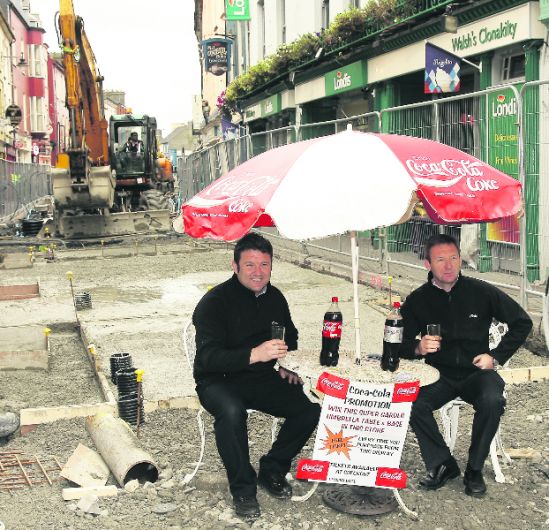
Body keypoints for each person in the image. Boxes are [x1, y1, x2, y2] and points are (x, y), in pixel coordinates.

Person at [192, 233, 320, 519]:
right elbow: (207, 358)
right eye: (250, 265)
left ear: (272, 266)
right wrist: (254, 354)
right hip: (217, 380)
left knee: (309, 410)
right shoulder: (214, 302)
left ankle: (273, 468)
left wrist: (287, 364)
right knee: (232, 412)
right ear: (235, 266)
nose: (258, 272)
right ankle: (243, 489)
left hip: (260, 378)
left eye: (264, 264)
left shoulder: (275, 296)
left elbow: (291, 335)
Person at [399, 233, 532, 498]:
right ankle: (442, 464)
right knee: (410, 400)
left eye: (453, 258)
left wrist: (495, 357)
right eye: (440, 260)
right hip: (438, 374)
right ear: (428, 265)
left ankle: (474, 470)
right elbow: (394, 344)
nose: (448, 265)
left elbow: (522, 322)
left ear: (460, 259)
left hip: (477, 372)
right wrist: (417, 348)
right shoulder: (417, 300)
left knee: (493, 399)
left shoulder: (480, 291)